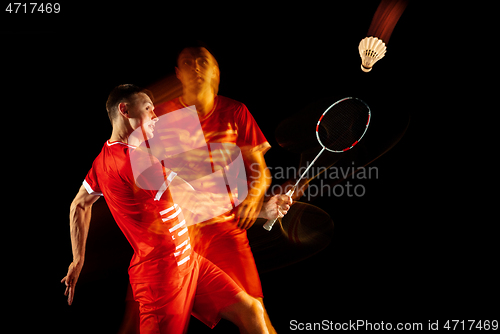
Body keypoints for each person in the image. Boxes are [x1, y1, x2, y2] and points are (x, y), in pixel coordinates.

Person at [61, 84, 286, 334]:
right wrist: (261, 211)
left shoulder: (103, 159)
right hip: (162, 277)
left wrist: (77, 260)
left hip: (188, 261)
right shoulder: (133, 160)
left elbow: (79, 204)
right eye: (148, 109)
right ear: (124, 110)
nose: (156, 117)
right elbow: (193, 199)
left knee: (252, 311)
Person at [150, 43, 289, 333]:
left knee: (256, 312)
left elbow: (259, 170)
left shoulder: (235, 111)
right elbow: (149, 181)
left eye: (202, 61)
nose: (196, 67)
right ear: (178, 73)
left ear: (216, 71)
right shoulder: (162, 117)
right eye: (187, 62)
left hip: (227, 232)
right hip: (183, 236)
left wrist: (256, 197)